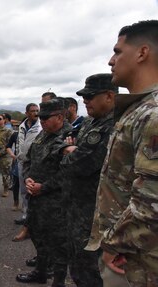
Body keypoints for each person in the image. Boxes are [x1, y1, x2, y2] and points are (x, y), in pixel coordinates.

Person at [85, 20, 158, 287]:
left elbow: (152, 204)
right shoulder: (138, 110)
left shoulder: (152, 114)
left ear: (142, 53)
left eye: (117, 51)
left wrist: (115, 244)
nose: (110, 61)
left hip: (137, 259)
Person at [58, 73, 117, 287]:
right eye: (84, 97)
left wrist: (70, 152)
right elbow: (67, 147)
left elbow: (81, 164)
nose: (85, 101)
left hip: (93, 213)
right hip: (76, 208)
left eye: (90, 96)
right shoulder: (92, 122)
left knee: (92, 270)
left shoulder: (111, 125)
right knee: (77, 265)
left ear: (109, 96)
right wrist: (70, 150)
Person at [16, 99, 72, 286]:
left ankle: (58, 280)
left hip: (56, 201)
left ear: (60, 116)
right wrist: (27, 179)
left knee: (58, 243)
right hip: (36, 198)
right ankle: (40, 273)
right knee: (38, 235)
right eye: (41, 118)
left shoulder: (70, 136)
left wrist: (44, 187)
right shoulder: (43, 135)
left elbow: (69, 172)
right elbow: (28, 160)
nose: (42, 121)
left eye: (46, 118)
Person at [14, 103, 41, 226]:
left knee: (34, 191)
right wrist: (18, 155)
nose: (36, 113)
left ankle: (34, 219)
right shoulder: (21, 126)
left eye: (37, 110)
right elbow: (19, 142)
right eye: (33, 111)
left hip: (35, 164)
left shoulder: (41, 126)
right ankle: (25, 215)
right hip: (22, 163)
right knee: (24, 190)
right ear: (26, 113)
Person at [0, 114, 13, 197]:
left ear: (4, 120)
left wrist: (0, 152)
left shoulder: (8, 131)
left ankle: (6, 189)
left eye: (0, 119)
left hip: (5, 155)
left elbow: (9, 144)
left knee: (5, 173)